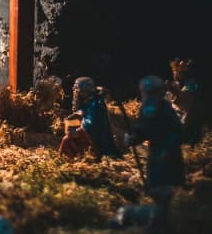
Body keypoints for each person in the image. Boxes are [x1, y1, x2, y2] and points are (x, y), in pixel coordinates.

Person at [126, 75, 185, 234]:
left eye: (152, 93)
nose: (149, 96)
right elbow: (143, 127)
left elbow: (176, 132)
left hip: (168, 154)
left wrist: (167, 149)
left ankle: (163, 221)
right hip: (155, 153)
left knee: (165, 187)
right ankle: (159, 219)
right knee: (155, 186)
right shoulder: (146, 109)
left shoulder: (166, 110)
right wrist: (134, 137)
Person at [71, 77, 121, 158]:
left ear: (84, 90)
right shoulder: (88, 102)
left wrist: (78, 131)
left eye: (76, 88)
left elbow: (92, 126)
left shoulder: (95, 104)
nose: (74, 90)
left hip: (97, 144)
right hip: (90, 138)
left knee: (66, 141)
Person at [166, 58, 202, 145]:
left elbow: (186, 100)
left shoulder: (191, 85)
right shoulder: (176, 84)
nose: (176, 76)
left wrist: (175, 92)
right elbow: (168, 100)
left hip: (189, 120)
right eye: (175, 73)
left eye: (179, 73)